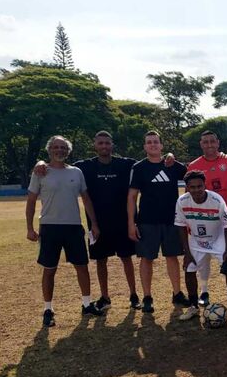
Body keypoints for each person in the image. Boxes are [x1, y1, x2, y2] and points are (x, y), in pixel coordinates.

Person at [31, 131, 162, 310]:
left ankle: (133, 295)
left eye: (107, 143)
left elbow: (151, 159)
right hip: (98, 225)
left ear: (112, 145)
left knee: (126, 258)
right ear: (95, 145)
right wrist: (39, 163)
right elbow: (60, 165)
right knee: (101, 260)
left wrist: (168, 156)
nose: (104, 146)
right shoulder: (84, 167)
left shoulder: (126, 164)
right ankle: (105, 297)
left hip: (123, 222)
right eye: (100, 143)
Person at [26, 135, 103, 326]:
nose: (59, 150)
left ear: (68, 151)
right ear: (49, 150)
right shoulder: (41, 171)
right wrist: (29, 228)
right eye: (55, 147)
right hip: (50, 228)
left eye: (63, 148)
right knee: (49, 269)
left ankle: (86, 304)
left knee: (82, 267)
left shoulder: (76, 172)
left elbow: (86, 198)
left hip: (74, 227)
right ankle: (48, 309)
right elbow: (30, 201)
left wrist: (94, 223)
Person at [127, 130, 189, 314]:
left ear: (161, 145)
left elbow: (193, 180)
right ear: (145, 146)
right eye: (149, 142)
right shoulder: (139, 168)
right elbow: (132, 197)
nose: (153, 144)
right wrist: (131, 223)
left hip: (172, 220)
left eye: (156, 142)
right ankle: (147, 297)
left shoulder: (173, 165)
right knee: (147, 259)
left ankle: (177, 293)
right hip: (147, 221)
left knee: (172, 257)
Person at [174, 171, 227, 320]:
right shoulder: (182, 201)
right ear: (187, 187)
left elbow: (226, 225)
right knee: (189, 269)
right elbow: (181, 226)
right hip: (196, 240)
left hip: (217, 238)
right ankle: (193, 306)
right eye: (192, 187)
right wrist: (187, 253)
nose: (196, 190)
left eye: (199, 186)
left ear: (205, 185)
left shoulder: (216, 200)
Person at [188, 130, 227, 305]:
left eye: (212, 141)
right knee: (203, 259)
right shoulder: (194, 165)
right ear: (201, 144)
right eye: (206, 142)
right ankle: (204, 291)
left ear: (218, 143)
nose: (209, 144)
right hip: (204, 219)